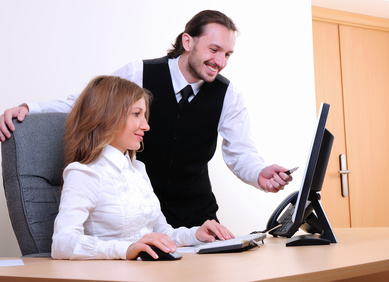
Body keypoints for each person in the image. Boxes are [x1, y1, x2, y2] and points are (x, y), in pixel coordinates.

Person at [0, 10, 293, 229]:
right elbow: (89, 101)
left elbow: (241, 153)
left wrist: (260, 173)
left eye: (228, 54)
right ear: (187, 41)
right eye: (214, 49)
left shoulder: (229, 95)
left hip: (197, 218)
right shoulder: (139, 73)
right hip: (137, 214)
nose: (221, 61)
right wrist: (31, 107)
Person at [51, 75, 234, 260]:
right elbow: (62, 243)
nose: (146, 126)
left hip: (148, 271)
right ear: (108, 117)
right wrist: (126, 249)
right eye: (136, 114)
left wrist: (195, 234)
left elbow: (162, 233)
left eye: (145, 115)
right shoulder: (84, 173)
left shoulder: (137, 169)